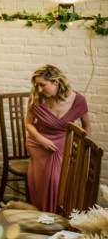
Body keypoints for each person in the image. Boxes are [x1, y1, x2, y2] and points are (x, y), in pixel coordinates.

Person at [26, 64, 91, 212]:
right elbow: (28, 123)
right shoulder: (36, 96)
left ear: (56, 82)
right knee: (40, 183)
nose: (39, 89)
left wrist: (82, 149)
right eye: (37, 85)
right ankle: (42, 216)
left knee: (56, 181)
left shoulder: (78, 100)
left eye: (42, 85)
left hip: (64, 145)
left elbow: (87, 126)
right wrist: (41, 139)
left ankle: (58, 216)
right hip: (39, 144)